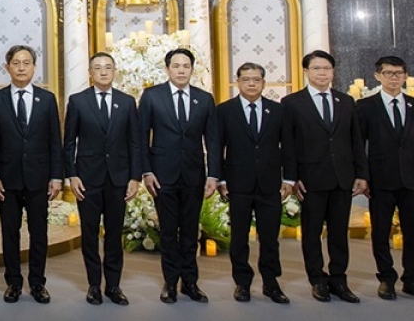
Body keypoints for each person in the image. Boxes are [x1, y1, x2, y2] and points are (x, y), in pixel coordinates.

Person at [136, 48, 220, 304]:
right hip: (162, 176)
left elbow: (213, 140)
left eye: (186, 66)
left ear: (192, 69)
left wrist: (214, 175)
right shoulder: (152, 96)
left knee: (191, 231)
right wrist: (146, 171)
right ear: (167, 69)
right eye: (176, 66)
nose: (181, 70)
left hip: (194, 176)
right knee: (169, 232)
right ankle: (170, 282)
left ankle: (190, 282)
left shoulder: (204, 99)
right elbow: (141, 138)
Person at [283, 50, 367, 303]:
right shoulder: (292, 103)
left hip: (342, 177)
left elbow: (356, 141)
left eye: (327, 68)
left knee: (339, 232)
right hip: (310, 179)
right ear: (306, 72)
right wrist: (291, 178)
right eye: (317, 68)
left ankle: (339, 279)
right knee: (312, 233)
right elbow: (288, 145)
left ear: (333, 72)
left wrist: (361, 174)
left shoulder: (346, 101)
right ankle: (317, 279)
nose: (322, 73)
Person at [356, 56, 414, 302]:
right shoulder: (366, 106)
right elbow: (358, 145)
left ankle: (413, 280)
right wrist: (362, 176)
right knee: (380, 232)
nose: (394, 78)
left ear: (405, 76)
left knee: (413, 233)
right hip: (380, 179)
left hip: (412, 178)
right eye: (388, 73)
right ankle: (386, 278)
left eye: (399, 73)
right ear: (377, 76)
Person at [0, 45, 62, 304]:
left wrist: (56, 176)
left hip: (39, 178)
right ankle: (13, 282)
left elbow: (55, 141)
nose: (21, 68)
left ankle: (38, 283)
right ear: (7, 67)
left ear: (34, 67)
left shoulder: (47, 99)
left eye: (26, 63)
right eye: (16, 63)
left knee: (39, 233)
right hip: (6, 180)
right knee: (10, 233)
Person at [63, 52, 139, 305]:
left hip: (118, 179)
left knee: (115, 234)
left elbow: (135, 143)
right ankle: (94, 285)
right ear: (90, 73)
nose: (103, 72)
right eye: (97, 68)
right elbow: (69, 142)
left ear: (115, 72)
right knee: (89, 234)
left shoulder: (127, 102)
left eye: (108, 67)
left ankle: (113, 286)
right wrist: (72, 175)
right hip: (87, 179)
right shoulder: (78, 101)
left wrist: (134, 177)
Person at [216, 63, 296, 304]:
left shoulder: (278, 110)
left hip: (270, 184)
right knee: (239, 237)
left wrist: (289, 178)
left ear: (263, 82)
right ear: (237, 82)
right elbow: (217, 147)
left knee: (270, 238)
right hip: (237, 183)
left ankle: (271, 283)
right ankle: (242, 283)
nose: (251, 84)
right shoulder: (225, 110)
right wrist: (220, 179)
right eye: (246, 79)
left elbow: (289, 146)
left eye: (256, 80)